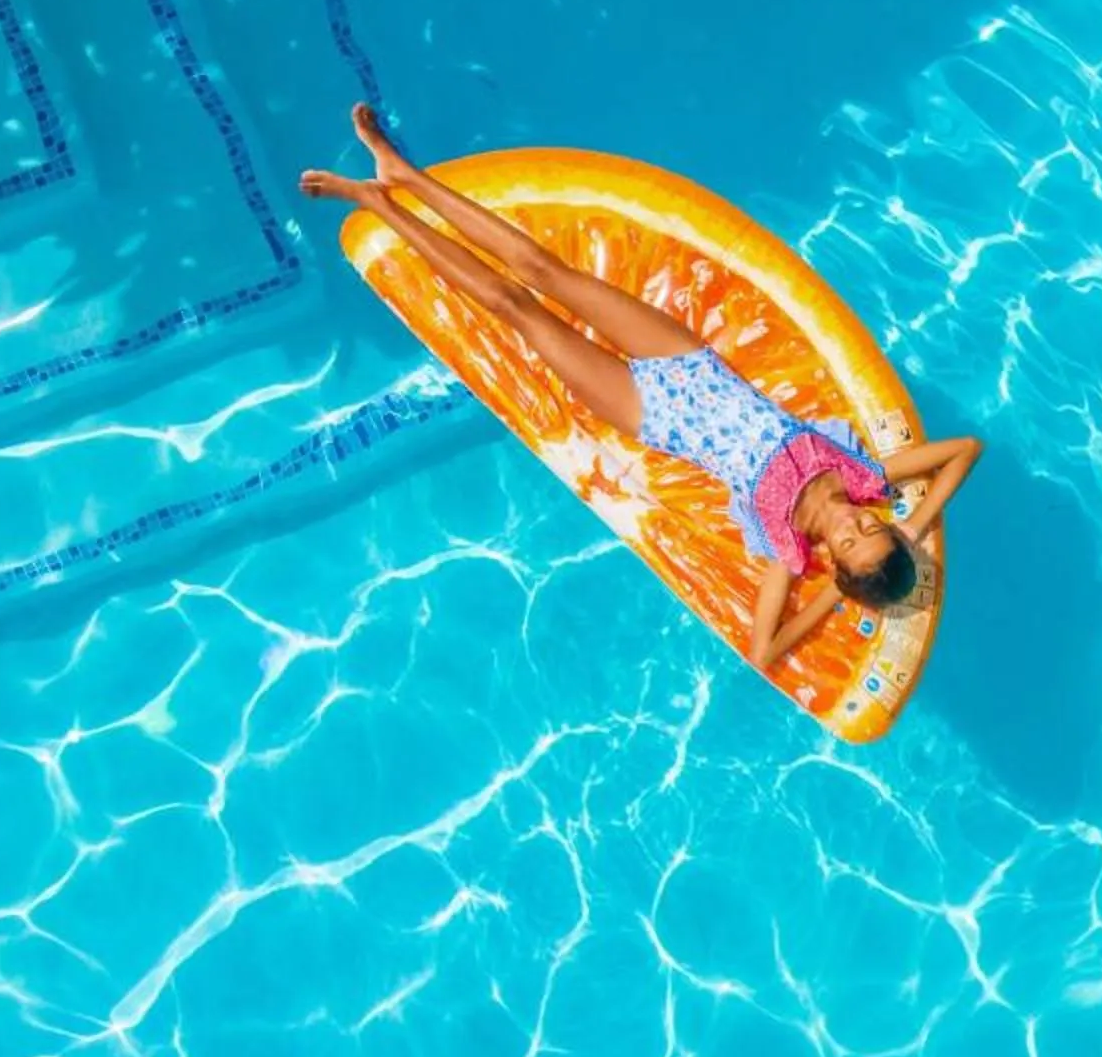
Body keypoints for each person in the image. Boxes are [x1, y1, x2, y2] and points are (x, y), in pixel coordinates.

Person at [303, 106, 981, 670]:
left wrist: (833, 598)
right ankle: (403, 175)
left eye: (853, 541)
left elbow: (762, 649)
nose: (854, 523)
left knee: (516, 309)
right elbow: (965, 450)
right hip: (689, 364)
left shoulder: (786, 547)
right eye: (872, 527)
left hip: (653, 414)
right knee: (543, 267)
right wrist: (916, 527)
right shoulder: (862, 474)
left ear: (834, 559)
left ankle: (372, 201)